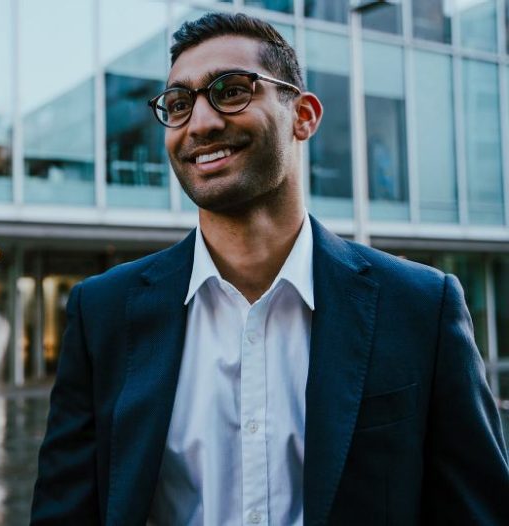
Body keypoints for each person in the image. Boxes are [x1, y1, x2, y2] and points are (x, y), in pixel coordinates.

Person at [31, 12, 509, 525]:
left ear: (303, 116)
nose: (202, 122)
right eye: (179, 104)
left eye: (232, 90)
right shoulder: (102, 311)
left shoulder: (420, 306)